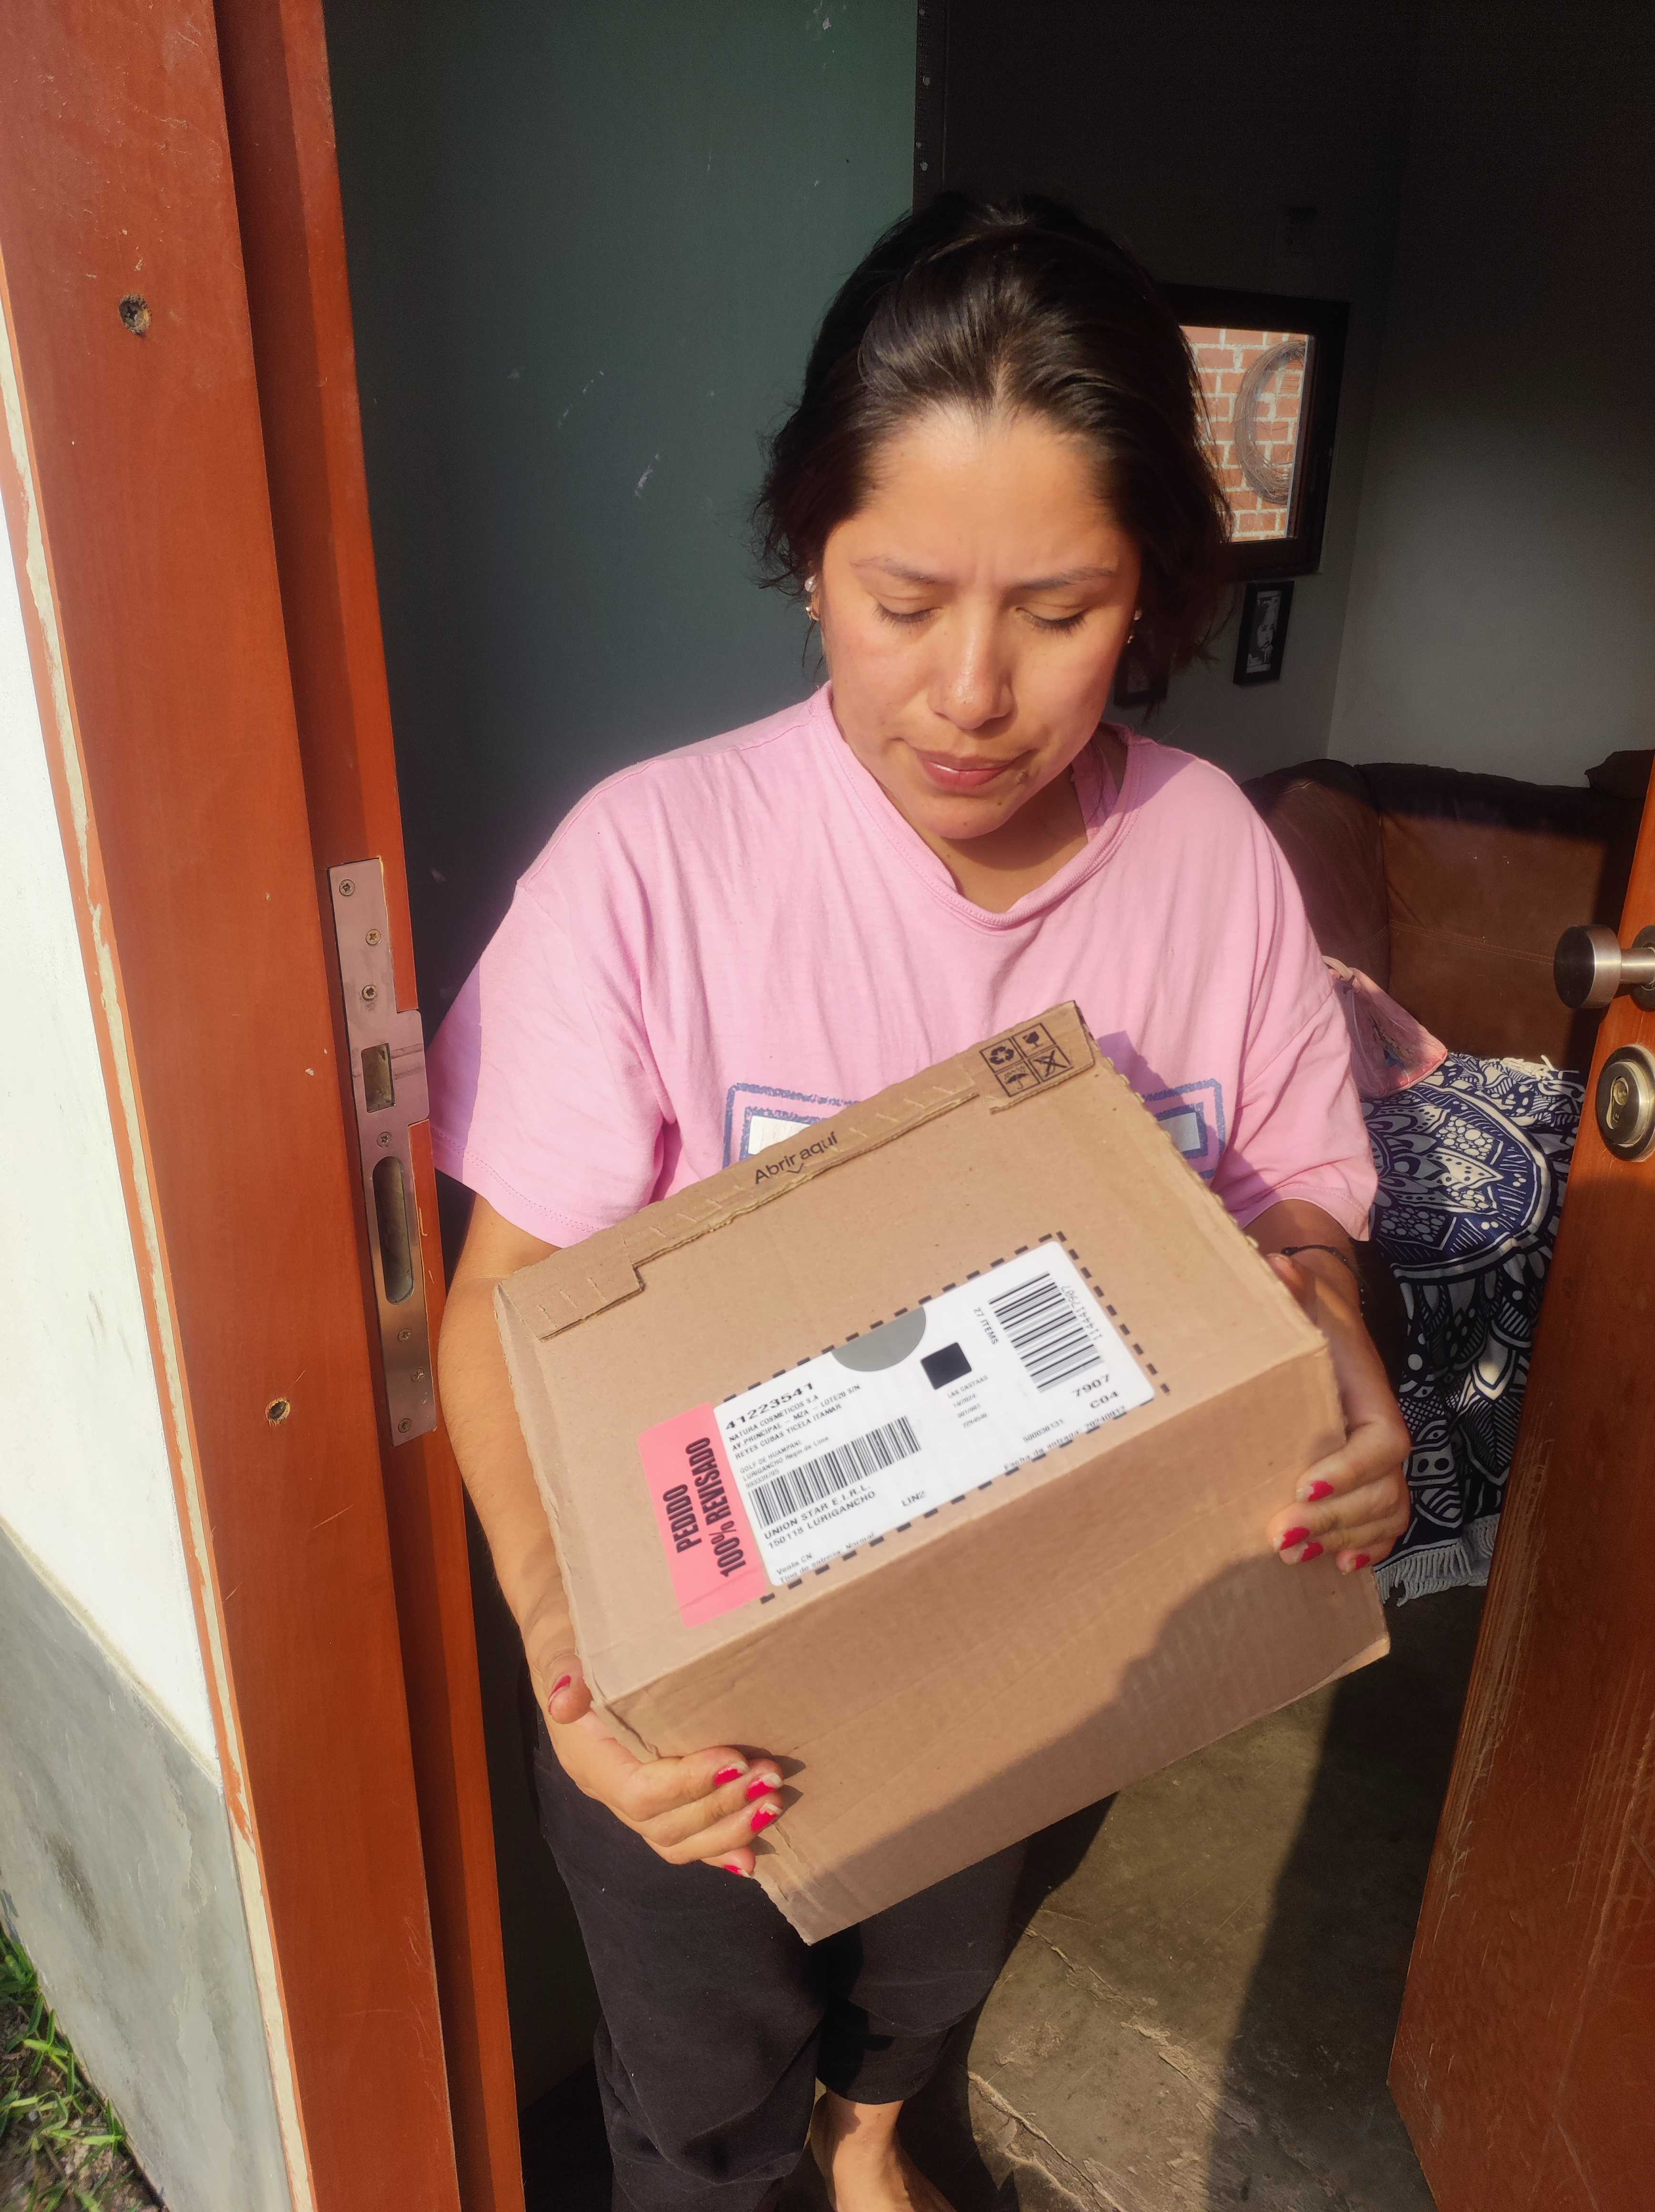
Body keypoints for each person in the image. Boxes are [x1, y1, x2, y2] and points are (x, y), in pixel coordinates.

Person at [432, 195, 1410, 2212]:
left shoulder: (1206, 858)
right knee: (695, 2085)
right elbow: (498, 1308)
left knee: (939, 1972)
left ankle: (871, 2132)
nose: (971, 689)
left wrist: (1338, 1353)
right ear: (808, 555)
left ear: (1148, 591)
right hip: (707, 1683)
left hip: (1043, 1623)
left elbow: (1298, 1201)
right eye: (902, 599)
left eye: (1056, 610)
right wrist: (566, 1640)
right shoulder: (652, 869)